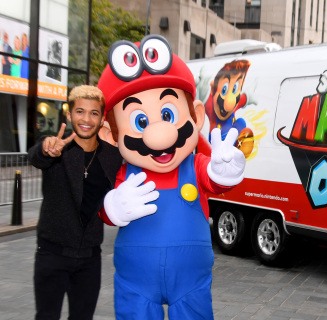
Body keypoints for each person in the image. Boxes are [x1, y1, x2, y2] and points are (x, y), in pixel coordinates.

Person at [97, 34, 246, 319]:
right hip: (136, 283)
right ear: (110, 135)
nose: (157, 135)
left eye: (168, 113)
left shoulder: (195, 165)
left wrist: (226, 169)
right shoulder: (122, 174)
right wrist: (113, 206)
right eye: (140, 121)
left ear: (197, 116)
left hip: (189, 284)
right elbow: (103, 207)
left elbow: (215, 180)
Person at [27, 85, 123, 320]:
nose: (86, 119)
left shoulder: (113, 156)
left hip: (90, 258)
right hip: (52, 254)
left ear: (101, 119)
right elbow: (36, 157)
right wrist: (46, 150)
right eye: (80, 112)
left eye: (94, 113)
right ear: (69, 116)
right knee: (46, 316)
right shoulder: (57, 148)